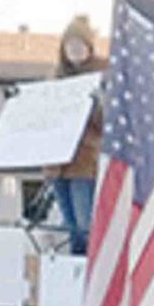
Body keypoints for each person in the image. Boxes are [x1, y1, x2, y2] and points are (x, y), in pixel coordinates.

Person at [44, 16, 107, 255]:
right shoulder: (56, 77)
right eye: (70, 46)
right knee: (69, 225)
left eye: (80, 45)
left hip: (85, 162)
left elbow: (105, 122)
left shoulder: (102, 74)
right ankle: (74, 270)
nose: (75, 51)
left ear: (89, 47)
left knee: (84, 224)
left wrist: (95, 102)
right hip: (57, 163)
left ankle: (89, 265)